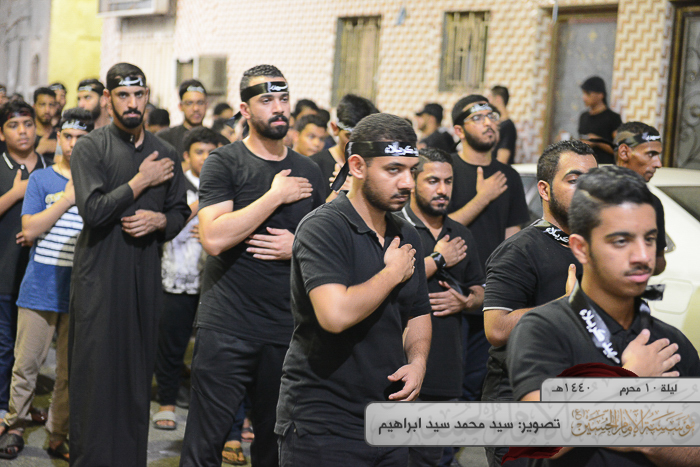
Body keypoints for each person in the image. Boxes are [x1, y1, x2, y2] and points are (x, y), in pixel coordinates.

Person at [179, 64, 326, 467]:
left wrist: (298, 246)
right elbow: (213, 237)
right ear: (245, 109)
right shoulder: (224, 162)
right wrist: (274, 196)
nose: (279, 108)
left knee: (273, 447)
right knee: (204, 445)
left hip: (285, 328)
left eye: (283, 99)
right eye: (267, 100)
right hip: (227, 325)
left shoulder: (309, 170)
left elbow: (325, 245)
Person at [507, 164, 700, 466]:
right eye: (621, 241)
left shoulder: (670, 344)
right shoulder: (545, 329)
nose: (642, 256)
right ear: (581, 248)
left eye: (649, 239)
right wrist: (631, 380)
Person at [276, 113, 432, 466]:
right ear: (358, 166)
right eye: (393, 170)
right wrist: (391, 274)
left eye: (412, 170)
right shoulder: (323, 227)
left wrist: (418, 362)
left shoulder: (406, 233)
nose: (407, 182)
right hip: (323, 422)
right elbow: (335, 315)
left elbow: (418, 312)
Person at [68, 62, 190, 467]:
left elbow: (179, 213)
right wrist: (140, 181)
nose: (132, 103)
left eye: (139, 95)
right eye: (123, 95)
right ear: (108, 99)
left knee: (136, 382)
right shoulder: (90, 147)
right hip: (99, 281)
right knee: (95, 379)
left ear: (148, 96)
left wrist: (160, 222)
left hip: (144, 281)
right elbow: (93, 211)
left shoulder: (166, 153)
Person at [481, 140, 597, 467]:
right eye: (574, 180)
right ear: (544, 189)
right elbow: (496, 328)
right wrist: (566, 305)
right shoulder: (519, 250)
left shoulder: (594, 248)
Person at [0, 108, 93, 461]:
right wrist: (68, 198)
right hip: (39, 284)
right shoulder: (42, 179)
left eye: (81, 138)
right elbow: (31, 228)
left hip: (80, 288)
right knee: (26, 365)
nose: (73, 144)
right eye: (67, 136)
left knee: (68, 371)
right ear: (58, 138)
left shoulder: (97, 180)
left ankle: (58, 433)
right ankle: (15, 425)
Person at [396, 147, 484, 467]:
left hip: (446, 372)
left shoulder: (460, 233)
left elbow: (481, 290)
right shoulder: (396, 227)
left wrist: (467, 301)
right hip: (400, 369)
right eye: (433, 181)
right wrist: (437, 259)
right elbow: (389, 280)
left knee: (437, 459)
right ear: (413, 181)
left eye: (448, 181)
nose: (442, 189)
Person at [446, 94, 529, 402]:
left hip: (492, 297)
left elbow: (512, 239)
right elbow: (435, 229)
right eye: (478, 118)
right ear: (458, 130)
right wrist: (482, 198)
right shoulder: (445, 170)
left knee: (477, 386)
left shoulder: (509, 176)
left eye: (492, 116)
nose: (489, 123)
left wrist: (510, 290)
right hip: (449, 292)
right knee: (444, 384)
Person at [152, 126, 218, 431]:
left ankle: (204, 404)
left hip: (213, 280)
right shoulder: (175, 184)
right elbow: (163, 223)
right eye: (199, 152)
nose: (205, 158)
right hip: (177, 274)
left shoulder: (223, 183)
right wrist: (199, 207)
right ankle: (166, 402)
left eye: (210, 152)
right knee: (172, 343)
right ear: (186, 156)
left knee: (208, 349)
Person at [0, 100, 49, 424]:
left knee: (32, 351)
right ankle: (3, 408)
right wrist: (16, 193)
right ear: (1, 133)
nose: (22, 131)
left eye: (28, 124)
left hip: (43, 274)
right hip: (5, 271)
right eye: (14, 125)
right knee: (5, 345)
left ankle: (22, 405)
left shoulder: (51, 167)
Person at [614, 121, 666, 275]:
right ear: (624, 153)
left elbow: (659, 261)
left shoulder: (652, 203)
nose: (658, 164)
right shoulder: (592, 196)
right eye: (651, 154)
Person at [310, 93, 378, 189]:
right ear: (335, 129)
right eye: (350, 137)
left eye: (364, 138)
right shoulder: (314, 166)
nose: (357, 144)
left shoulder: (373, 168)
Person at [157, 79, 208, 157]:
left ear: (206, 105)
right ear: (180, 106)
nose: (195, 108)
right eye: (189, 103)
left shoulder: (218, 140)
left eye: (200, 103)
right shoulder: (164, 139)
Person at [578, 76, 621, 165]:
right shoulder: (583, 116)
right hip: (586, 166)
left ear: (600, 95)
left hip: (606, 167)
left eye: (588, 94)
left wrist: (598, 141)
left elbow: (619, 149)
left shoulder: (613, 117)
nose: (584, 98)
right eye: (583, 94)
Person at [489, 85, 517, 164]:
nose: (489, 102)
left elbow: (502, 159)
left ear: (498, 99)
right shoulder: (498, 124)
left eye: (490, 98)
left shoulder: (507, 126)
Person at [33, 87, 58, 162]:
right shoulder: (27, 136)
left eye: (51, 105)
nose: (47, 110)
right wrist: (40, 150)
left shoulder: (60, 136)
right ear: (34, 107)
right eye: (42, 104)